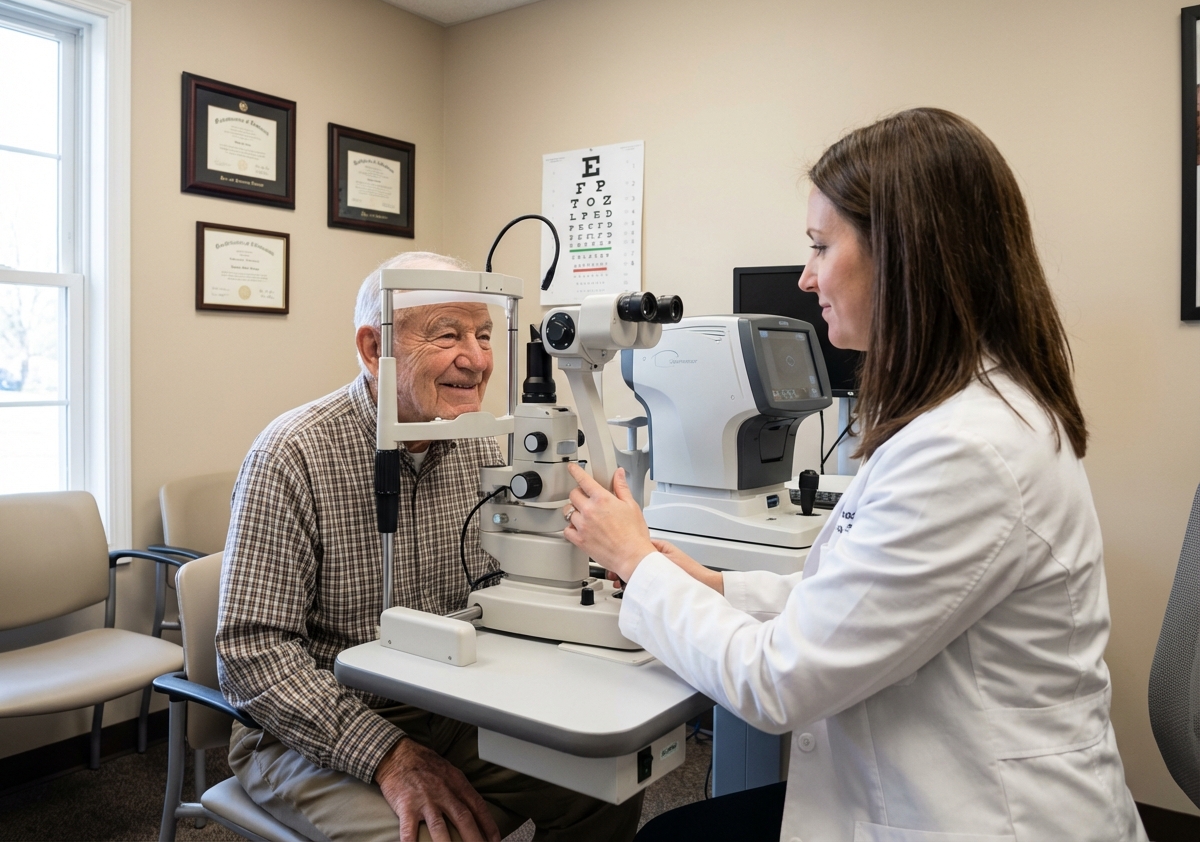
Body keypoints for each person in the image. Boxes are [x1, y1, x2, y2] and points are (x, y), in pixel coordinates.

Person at [561, 109, 1147, 841]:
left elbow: (778, 682)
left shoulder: (964, 451)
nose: (805, 278)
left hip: (979, 816)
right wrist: (715, 586)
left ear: (905, 256)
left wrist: (634, 558)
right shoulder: (977, 413)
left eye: (819, 247)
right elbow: (855, 593)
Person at [216, 251, 643, 842]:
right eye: (448, 335)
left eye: (485, 335)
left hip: (448, 698)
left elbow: (502, 577)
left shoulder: (477, 443)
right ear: (374, 350)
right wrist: (389, 755)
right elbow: (250, 653)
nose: (478, 360)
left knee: (603, 787)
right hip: (310, 722)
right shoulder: (292, 455)